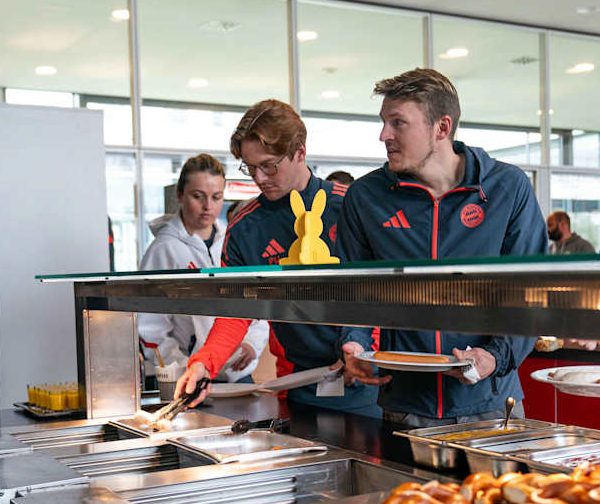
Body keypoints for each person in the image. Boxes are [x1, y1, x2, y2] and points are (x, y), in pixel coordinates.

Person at [337, 68, 547, 427]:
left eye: (398, 123)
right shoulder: (365, 197)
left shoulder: (507, 188)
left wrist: (494, 357)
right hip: (404, 404)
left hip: (491, 404)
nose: (383, 135)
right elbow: (354, 288)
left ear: (442, 128)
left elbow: (531, 293)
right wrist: (353, 343)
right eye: (383, 122)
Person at [174, 100, 381, 417]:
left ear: (300, 151)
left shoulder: (352, 207)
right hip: (297, 386)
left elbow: (379, 292)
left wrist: (360, 348)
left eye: (269, 165)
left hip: (368, 381)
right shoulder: (245, 229)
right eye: (249, 166)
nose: (258, 177)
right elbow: (236, 311)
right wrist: (204, 361)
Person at [138, 154, 268, 384]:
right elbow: (151, 328)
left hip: (238, 374)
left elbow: (256, 303)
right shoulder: (164, 250)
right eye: (198, 196)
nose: (208, 206)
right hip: (192, 376)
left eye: (216, 197)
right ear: (180, 195)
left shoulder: (233, 243)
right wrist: (183, 369)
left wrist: (252, 343)